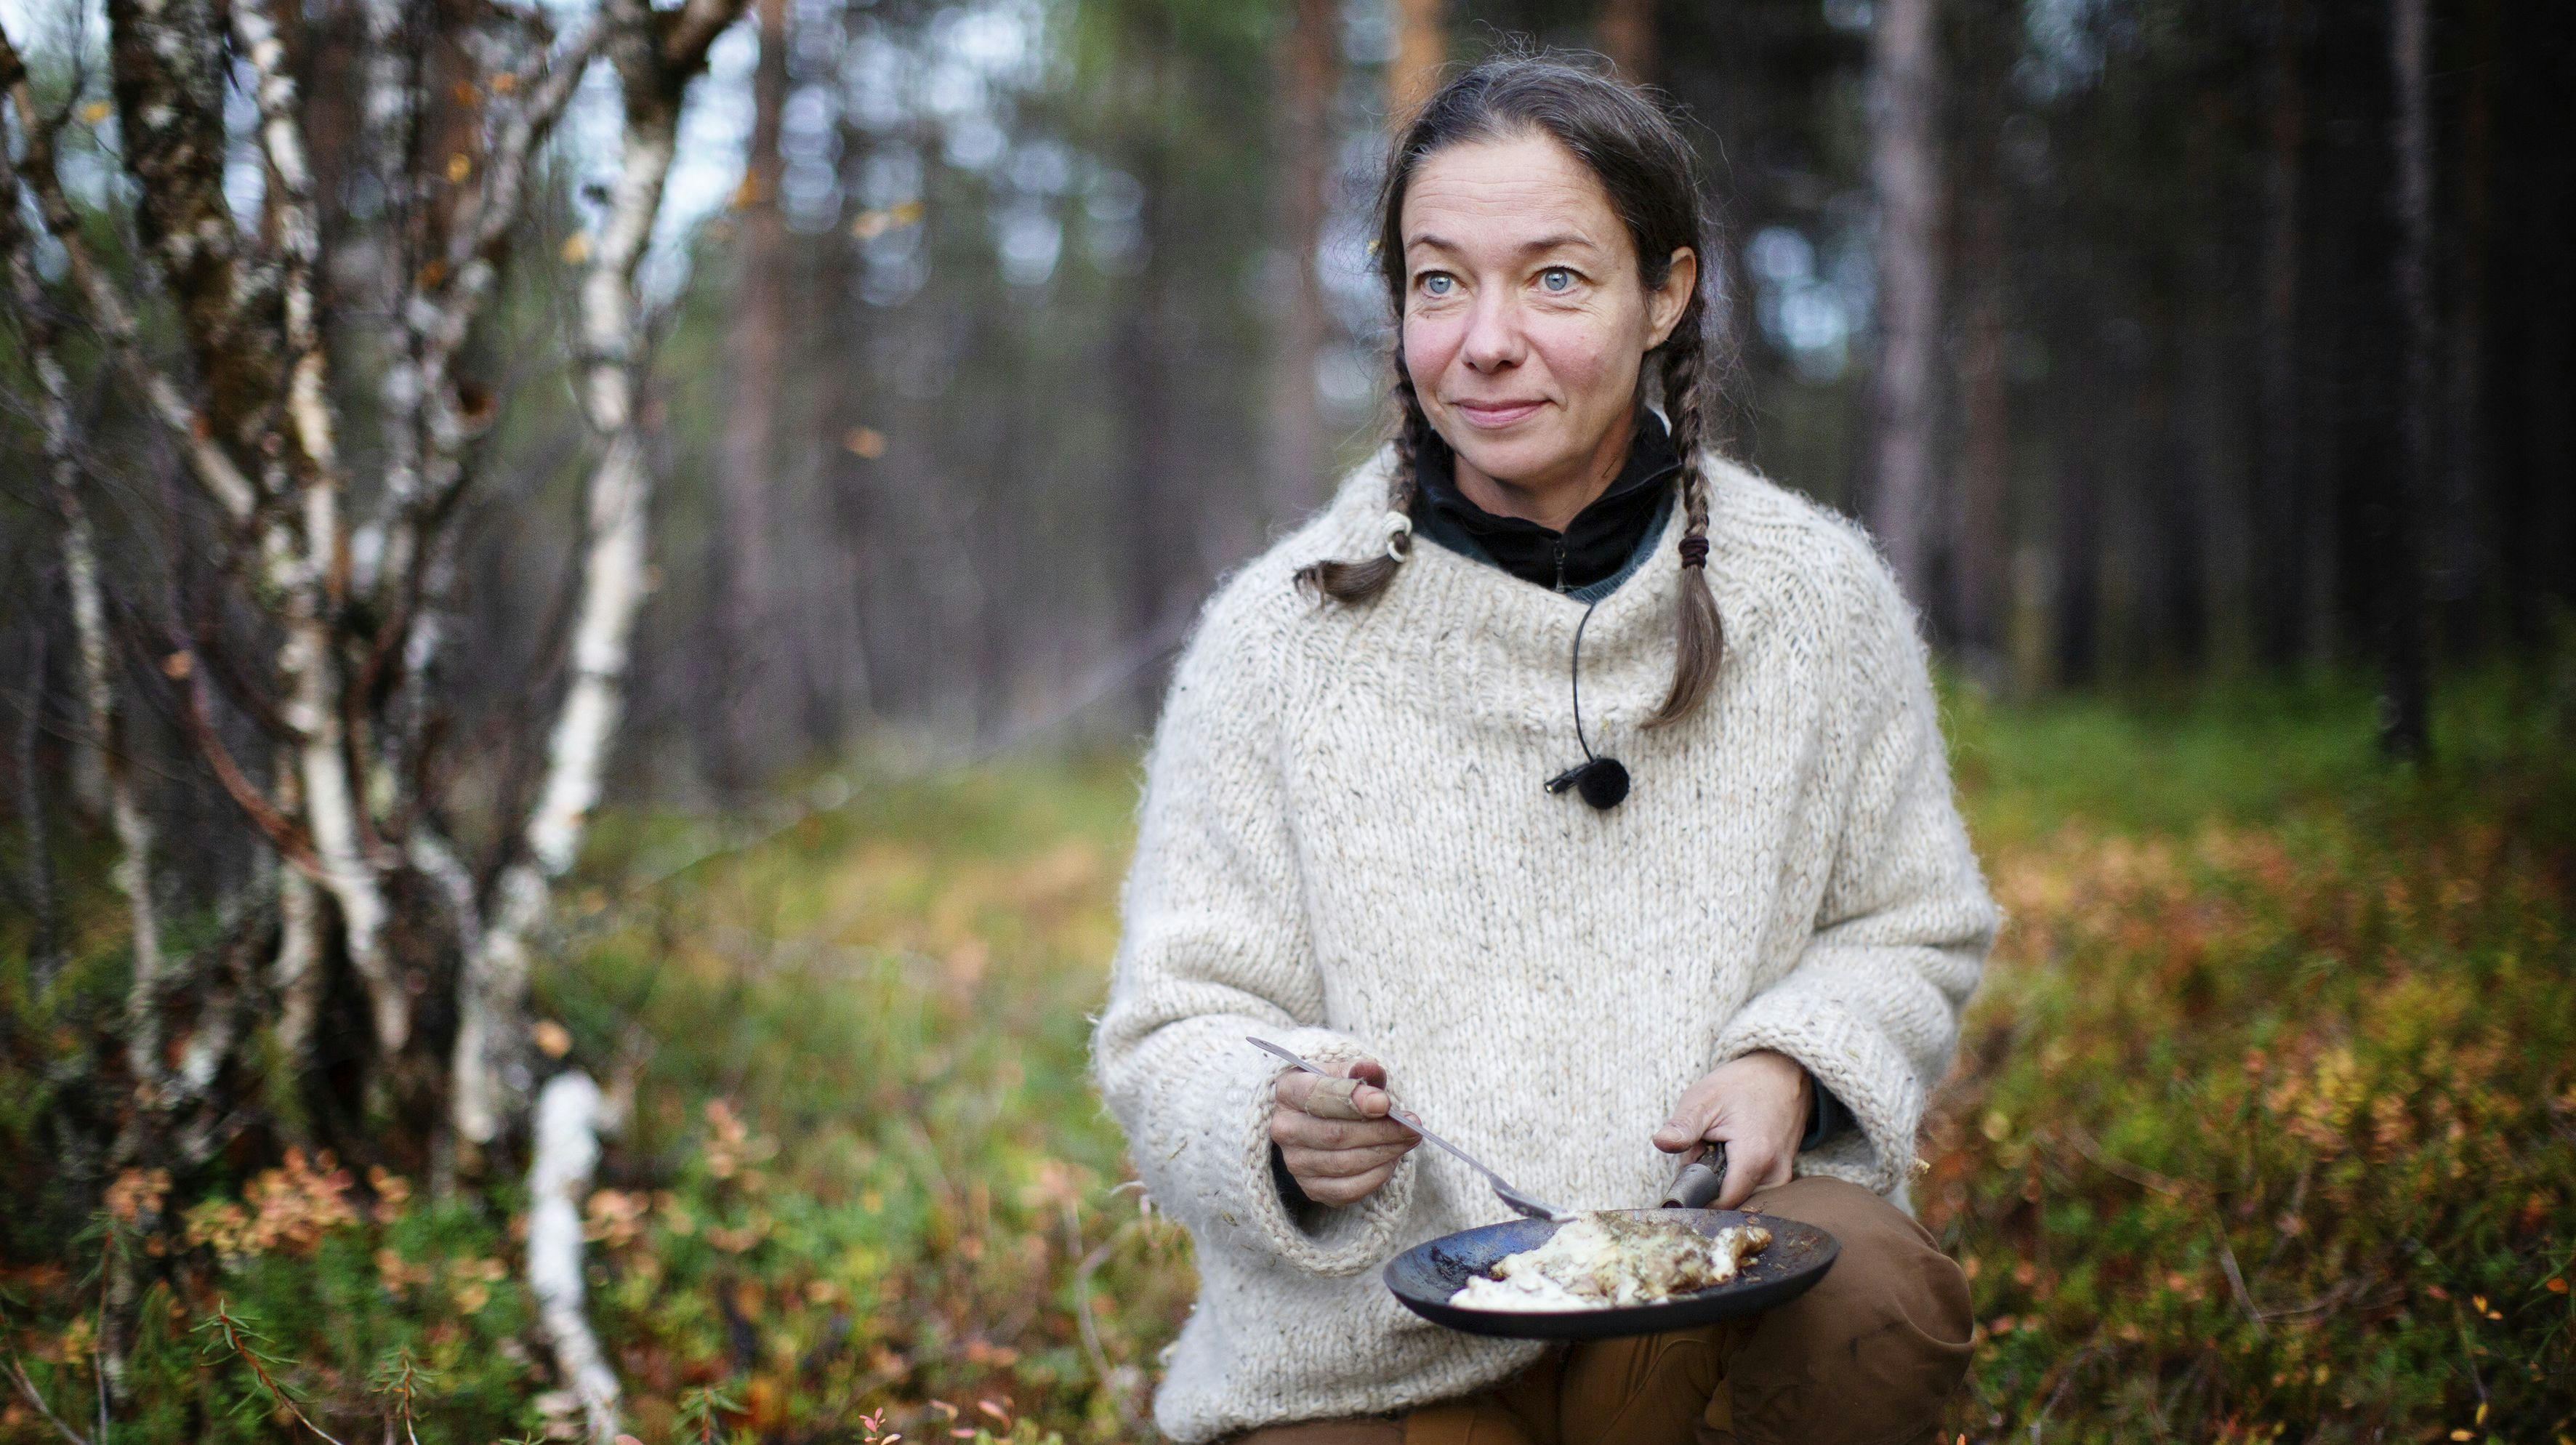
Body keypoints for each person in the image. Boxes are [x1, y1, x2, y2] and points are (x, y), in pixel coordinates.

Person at [1091, 52, 1996, 1445]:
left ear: (1668, 295)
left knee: (1874, 1296)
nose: (1485, 339)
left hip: (1702, 1272)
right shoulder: (1281, 640)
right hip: (1376, 1338)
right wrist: (1273, 1120)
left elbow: (1910, 924)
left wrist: (1791, 1061)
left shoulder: (1814, 599)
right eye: (1438, 281)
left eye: (1556, 278)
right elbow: (1176, 1025)